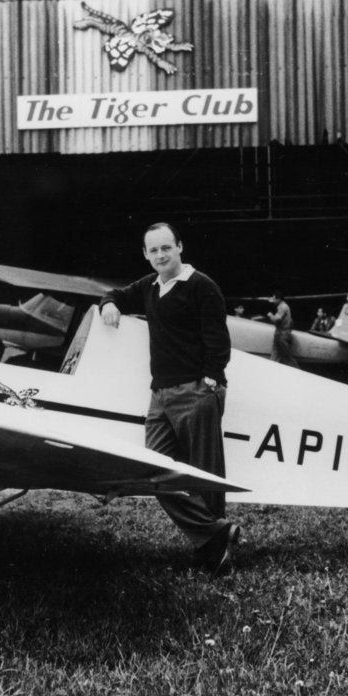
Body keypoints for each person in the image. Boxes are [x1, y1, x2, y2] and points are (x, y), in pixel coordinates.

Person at [99, 222, 240, 575]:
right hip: (160, 394)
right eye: (154, 250)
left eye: (167, 248)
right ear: (146, 255)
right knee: (155, 472)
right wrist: (108, 305)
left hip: (196, 390)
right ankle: (215, 534)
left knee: (203, 474)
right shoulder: (150, 286)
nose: (161, 255)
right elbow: (116, 293)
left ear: (180, 247)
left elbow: (217, 340)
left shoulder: (201, 286)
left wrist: (210, 380)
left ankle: (213, 552)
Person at [266, 292, 299, 367]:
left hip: (281, 336)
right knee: (275, 356)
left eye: (274, 299)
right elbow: (291, 322)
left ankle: (297, 371)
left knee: (286, 358)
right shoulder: (286, 307)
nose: (273, 301)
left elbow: (277, 319)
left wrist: (271, 315)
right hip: (282, 335)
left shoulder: (282, 307)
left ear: (279, 299)